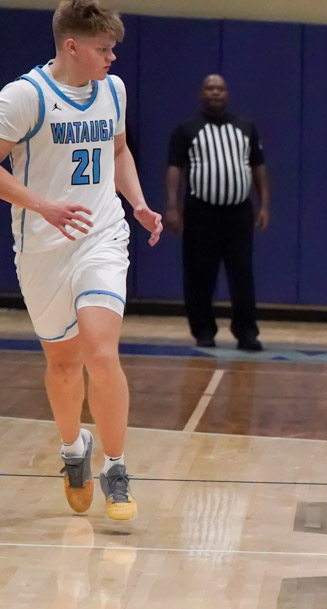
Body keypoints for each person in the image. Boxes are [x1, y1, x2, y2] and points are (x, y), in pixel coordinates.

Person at [0, 0, 163, 520]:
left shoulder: (113, 90)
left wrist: (137, 203)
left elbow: (118, 151)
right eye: (103, 48)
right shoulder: (24, 97)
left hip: (102, 236)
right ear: (71, 46)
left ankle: (116, 467)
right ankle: (74, 449)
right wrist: (42, 205)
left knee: (100, 352)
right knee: (63, 366)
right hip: (43, 247)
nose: (112, 58)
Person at [165, 74, 269, 351]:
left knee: (242, 273)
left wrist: (264, 205)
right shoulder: (187, 129)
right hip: (201, 213)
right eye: (210, 88)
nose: (215, 92)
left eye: (220, 88)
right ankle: (203, 331)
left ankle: (247, 332)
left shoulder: (245, 127)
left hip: (238, 214)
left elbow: (258, 166)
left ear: (227, 94)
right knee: (200, 273)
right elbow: (175, 168)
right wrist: (172, 206)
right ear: (202, 93)